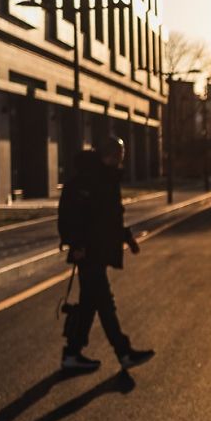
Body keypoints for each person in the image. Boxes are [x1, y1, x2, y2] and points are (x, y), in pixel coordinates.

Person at [57, 137, 155, 372]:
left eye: (122, 154)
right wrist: (76, 243)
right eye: (118, 154)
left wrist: (127, 238)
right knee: (105, 304)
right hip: (88, 252)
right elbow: (70, 215)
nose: (121, 158)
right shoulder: (87, 181)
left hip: (98, 250)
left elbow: (109, 217)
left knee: (90, 303)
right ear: (106, 154)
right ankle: (123, 352)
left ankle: (72, 353)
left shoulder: (106, 178)